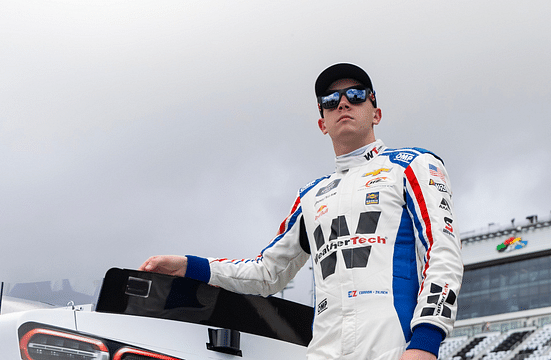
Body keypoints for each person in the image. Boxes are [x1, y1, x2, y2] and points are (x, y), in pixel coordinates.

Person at [140, 63, 463, 360]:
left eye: (355, 95)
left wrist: (426, 341)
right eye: (330, 99)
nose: (343, 103)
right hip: (324, 351)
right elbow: (268, 272)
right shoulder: (311, 195)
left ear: (376, 112)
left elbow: (444, 253)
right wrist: (189, 266)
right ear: (322, 122)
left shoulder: (413, 165)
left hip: (392, 347)